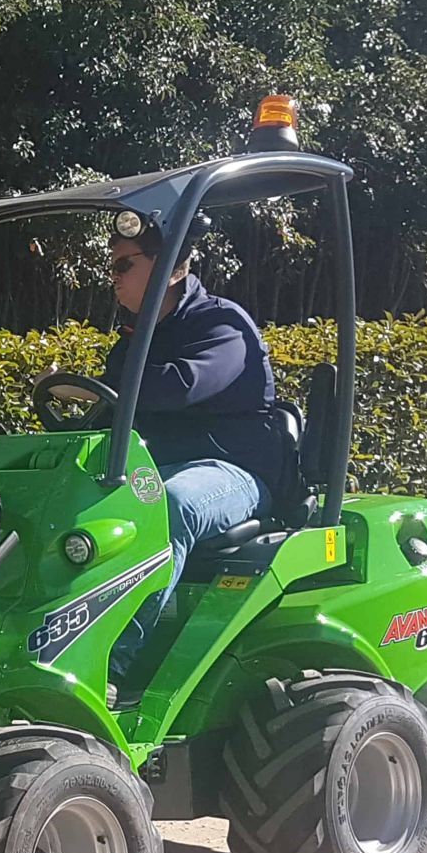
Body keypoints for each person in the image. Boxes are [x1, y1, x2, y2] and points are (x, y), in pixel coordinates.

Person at [100, 218, 283, 692]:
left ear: (171, 269)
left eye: (125, 264)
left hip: (235, 471)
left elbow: (182, 386)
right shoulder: (132, 340)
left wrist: (105, 391)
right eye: (113, 265)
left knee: (171, 504)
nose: (114, 275)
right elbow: (107, 413)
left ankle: (111, 666)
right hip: (157, 468)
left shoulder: (222, 325)